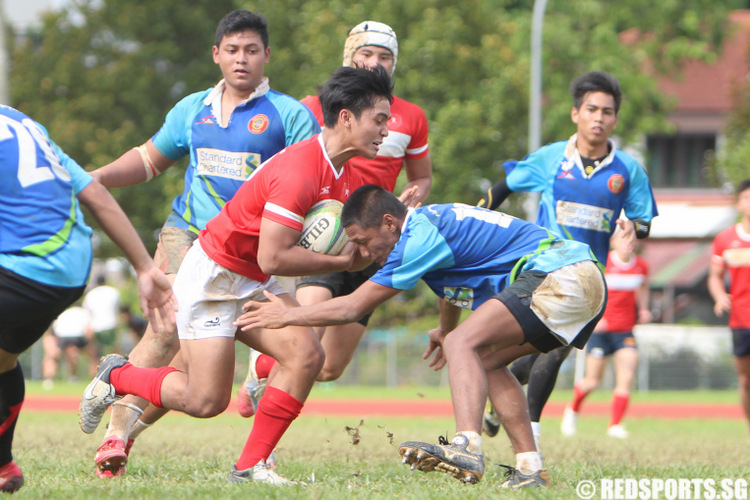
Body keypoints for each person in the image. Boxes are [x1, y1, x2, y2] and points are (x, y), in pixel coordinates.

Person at [78, 65, 394, 486]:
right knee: (205, 400)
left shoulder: (345, 176)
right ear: (347, 117)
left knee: (306, 355)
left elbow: (307, 255)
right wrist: (340, 263)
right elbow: (275, 256)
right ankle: (117, 375)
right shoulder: (301, 169)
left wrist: (374, 246)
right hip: (214, 277)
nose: (386, 130)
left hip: (255, 281)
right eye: (380, 119)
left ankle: (250, 467)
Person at [235, 184, 606, 487]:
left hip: (560, 275)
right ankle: (530, 469)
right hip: (582, 278)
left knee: (464, 343)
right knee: (487, 361)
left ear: (388, 223)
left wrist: (289, 314)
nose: (363, 253)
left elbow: (352, 306)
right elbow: (452, 284)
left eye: (363, 241)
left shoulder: (417, 237)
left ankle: (466, 447)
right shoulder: (430, 227)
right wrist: (445, 329)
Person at [88, 9, 320, 478]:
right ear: (216, 55)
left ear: (266, 56)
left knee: (302, 351)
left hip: (254, 257)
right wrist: (94, 179)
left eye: (251, 50)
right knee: (166, 328)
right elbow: (148, 160)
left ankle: (255, 456)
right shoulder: (193, 108)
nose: (241, 60)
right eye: (232, 50)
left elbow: (311, 187)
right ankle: (116, 435)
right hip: (188, 234)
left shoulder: (291, 116)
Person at [236, 20, 433, 420]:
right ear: (349, 56)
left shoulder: (409, 117)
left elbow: (422, 176)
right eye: (366, 53)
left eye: (385, 56)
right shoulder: (313, 107)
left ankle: (261, 366)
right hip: (330, 234)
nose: (374, 62)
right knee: (306, 344)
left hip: (377, 245)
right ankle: (264, 445)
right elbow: (283, 164)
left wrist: (416, 193)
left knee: (328, 366)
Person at [477, 70, 657, 450]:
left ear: (615, 119)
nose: (599, 118)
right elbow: (504, 186)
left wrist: (634, 231)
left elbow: (643, 221)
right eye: (592, 109)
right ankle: (531, 439)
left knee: (545, 351)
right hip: (543, 268)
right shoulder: (551, 159)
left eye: (607, 112)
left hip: (590, 276)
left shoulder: (628, 171)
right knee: (550, 350)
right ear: (576, 113)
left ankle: (509, 409)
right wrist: (472, 218)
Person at [0, 104, 175, 494]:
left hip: (27, 267)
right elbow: (93, 191)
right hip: (70, 267)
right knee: (3, 359)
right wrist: (144, 267)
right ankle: (4, 466)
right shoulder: (20, 121)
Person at [560, 228, 651, 438]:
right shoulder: (603, 263)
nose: (629, 242)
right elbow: (589, 291)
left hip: (625, 331)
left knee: (626, 377)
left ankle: (615, 425)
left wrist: (644, 309)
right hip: (601, 332)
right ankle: (572, 410)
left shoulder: (641, 266)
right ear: (612, 241)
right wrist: (595, 318)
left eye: (632, 238)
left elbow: (643, 288)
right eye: (624, 237)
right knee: (592, 380)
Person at [708, 179, 750, 432]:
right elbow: (714, 276)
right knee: (746, 380)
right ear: (739, 203)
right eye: (747, 198)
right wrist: (719, 296)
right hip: (741, 319)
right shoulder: (725, 239)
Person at [44, 305, 97, 384]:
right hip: (77, 336)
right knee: (93, 354)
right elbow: (89, 331)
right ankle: (94, 378)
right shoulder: (84, 312)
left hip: (62, 336)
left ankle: (48, 378)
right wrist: (91, 342)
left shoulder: (61, 309)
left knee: (53, 357)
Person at [83, 276, 121, 357]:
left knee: (95, 355)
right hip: (111, 324)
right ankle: (118, 368)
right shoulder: (113, 291)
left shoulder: (90, 294)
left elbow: (87, 313)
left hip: (96, 326)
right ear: (105, 281)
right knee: (115, 353)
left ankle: (95, 369)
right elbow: (117, 308)